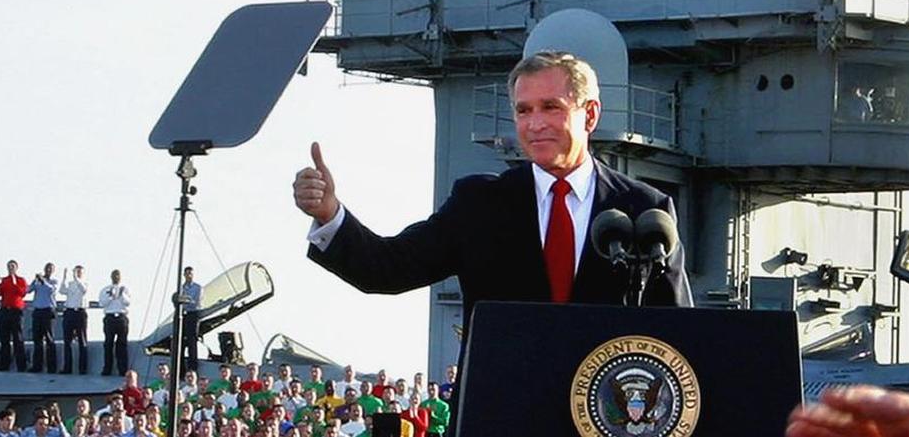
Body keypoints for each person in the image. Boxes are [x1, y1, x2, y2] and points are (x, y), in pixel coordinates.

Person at [293, 53, 693, 402]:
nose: (534, 124)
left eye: (551, 107)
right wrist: (331, 216)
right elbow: (387, 267)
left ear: (590, 114)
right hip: (498, 413)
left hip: (604, 417)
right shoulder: (478, 204)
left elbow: (680, 336)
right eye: (524, 110)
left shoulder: (646, 210)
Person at [0, 259, 28, 371]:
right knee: (4, 340)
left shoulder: (20, 280)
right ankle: (4, 365)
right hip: (5, 311)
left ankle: (21, 366)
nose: (11, 268)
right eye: (9, 266)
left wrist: (14, 283)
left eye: (13, 266)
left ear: (16, 268)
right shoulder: (4, 280)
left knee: (18, 339)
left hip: (16, 312)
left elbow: (23, 293)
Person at [27, 261, 59, 373]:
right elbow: (27, 290)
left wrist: (43, 280)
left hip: (47, 311)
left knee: (49, 339)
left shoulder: (54, 281)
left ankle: (51, 367)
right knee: (37, 339)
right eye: (47, 268)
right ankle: (37, 366)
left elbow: (51, 290)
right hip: (37, 311)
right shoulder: (37, 281)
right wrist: (34, 281)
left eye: (50, 269)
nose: (48, 270)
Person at [99, 269, 131, 376]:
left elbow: (127, 303)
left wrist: (121, 295)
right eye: (114, 275)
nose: (116, 277)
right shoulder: (105, 289)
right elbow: (102, 303)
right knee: (108, 343)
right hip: (110, 318)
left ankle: (122, 370)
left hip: (121, 317)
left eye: (118, 275)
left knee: (122, 344)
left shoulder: (125, 289)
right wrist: (111, 296)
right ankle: (107, 368)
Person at [59, 264, 90, 374]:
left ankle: (83, 368)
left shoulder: (84, 283)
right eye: (76, 271)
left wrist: (77, 278)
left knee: (82, 340)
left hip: (80, 312)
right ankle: (67, 367)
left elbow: (83, 290)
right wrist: (64, 278)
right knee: (67, 341)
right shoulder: (70, 284)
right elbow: (62, 291)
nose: (78, 273)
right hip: (69, 311)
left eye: (79, 272)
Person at [180, 266, 203, 373]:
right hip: (183, 314)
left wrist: (187, 300)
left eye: (190, 273)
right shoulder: (181, 288)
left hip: (193, 314)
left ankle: (193, 367)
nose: (189, 275)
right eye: (187, 273)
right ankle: (181, 368)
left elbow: (197, 302)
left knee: (192, 341)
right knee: (181, 341)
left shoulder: (198, 288)